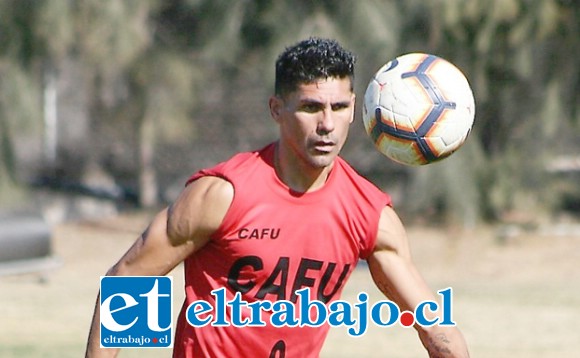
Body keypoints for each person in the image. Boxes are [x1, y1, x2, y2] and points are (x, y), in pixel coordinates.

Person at [86, 37, 470, 358]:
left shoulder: (369, 214)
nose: (327, 125)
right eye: (310, 107)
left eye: (339, 107)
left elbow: (435, 329)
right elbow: (129, 279)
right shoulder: (223, 195)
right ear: (277, 109)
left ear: (355, 109)